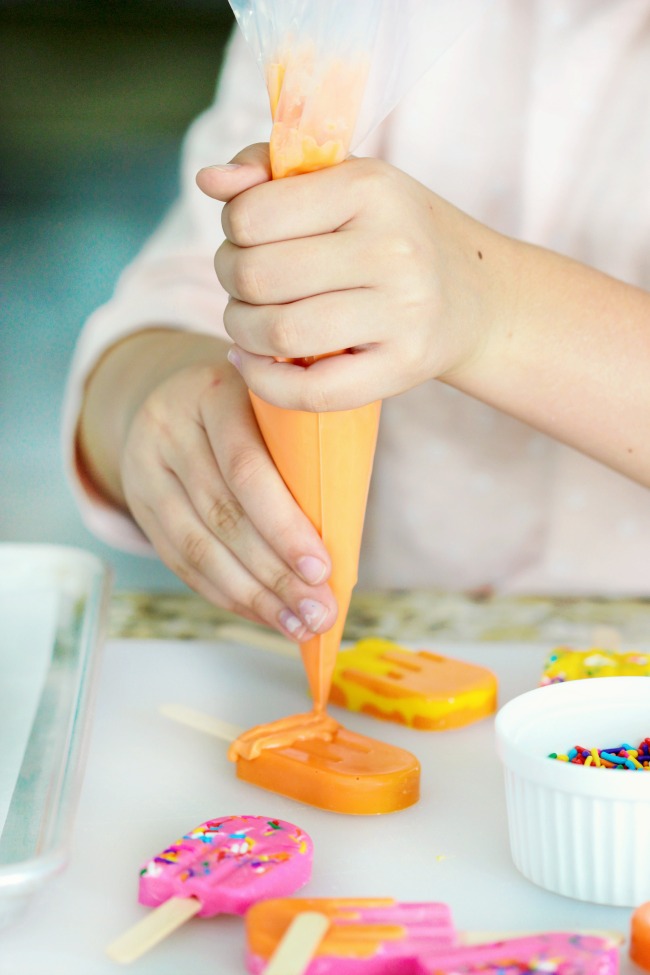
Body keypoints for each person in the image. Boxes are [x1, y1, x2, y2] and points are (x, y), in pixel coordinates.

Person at [63, 0, 650, 644]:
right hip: (376, 649)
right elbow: (177, 300)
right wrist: (156, 403)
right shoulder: (338, 16)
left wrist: (491, 306)